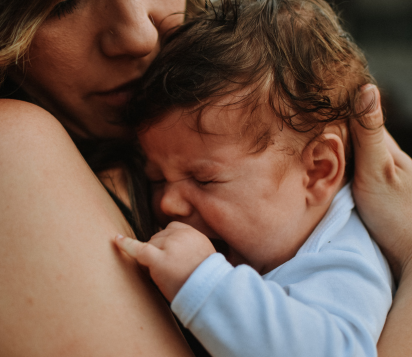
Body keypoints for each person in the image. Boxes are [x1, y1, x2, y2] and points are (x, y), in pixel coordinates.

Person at [0, 0, 411, 356]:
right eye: (62, 4)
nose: (139, 34)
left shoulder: (274, 137)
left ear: (321, 168)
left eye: (206, 178)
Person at [115, 1, 393, 356]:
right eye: (155, 178)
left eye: (203, 180)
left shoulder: (343, 257)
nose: (168, 203)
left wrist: (205, 283)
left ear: (318, 171)